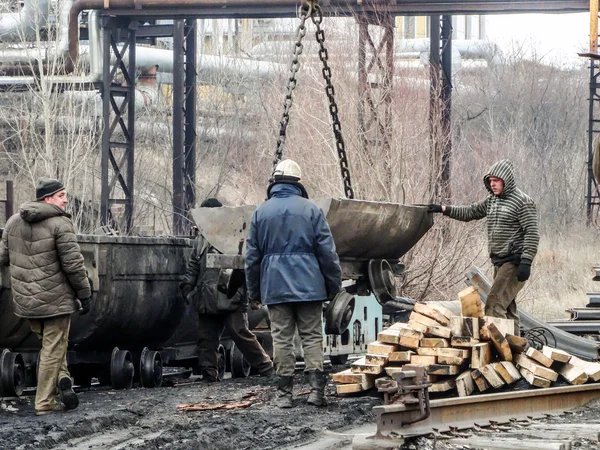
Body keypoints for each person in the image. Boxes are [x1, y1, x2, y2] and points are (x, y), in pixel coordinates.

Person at [245, 159, 342, 408]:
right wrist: (334, 287)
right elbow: (327, 254)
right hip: (310, 287)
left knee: (281, 339)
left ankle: (284, 395)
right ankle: (316, 392)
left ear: (274, 183)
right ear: (298, 183)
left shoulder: (260, 213)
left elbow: (252, 259)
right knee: (311, 337)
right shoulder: (311, 210)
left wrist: (254, 292)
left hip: (275, 287)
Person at [0, 177, 91, 416]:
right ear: (48, 198)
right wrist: (85, 293)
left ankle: (64, 379)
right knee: (53, 349)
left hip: (25, 303)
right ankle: (44, 403)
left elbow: (2, 258)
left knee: (53, 345)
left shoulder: (12, 222)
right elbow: (73, 265)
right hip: (56, 301)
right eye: (62, 196)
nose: (65, 200)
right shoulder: (61, 224)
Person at [428, 159, 539, 336]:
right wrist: (443, 209)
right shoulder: (492, 201)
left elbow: (532, 233)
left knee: (494, 305)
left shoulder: (522, 202)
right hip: (500, 261)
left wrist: (526, 261)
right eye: (490, 181)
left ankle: (501, 353)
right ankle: (516, 352)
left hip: (515, 262)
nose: (493, 184)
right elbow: (470, 212)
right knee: (507, 308)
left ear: (506, 180)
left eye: (496, 180)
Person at [179, 198, 274, 383]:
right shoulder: (201, 240)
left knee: (240, 334)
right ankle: (209, 374)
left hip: (232, 297)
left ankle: (266, 367)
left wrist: (253, 293)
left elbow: (248, 265)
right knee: (206, 338)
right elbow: (193, 265)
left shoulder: (236, 237)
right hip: (207, 298)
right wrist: (187, 286)